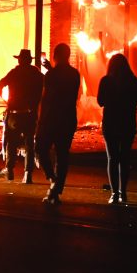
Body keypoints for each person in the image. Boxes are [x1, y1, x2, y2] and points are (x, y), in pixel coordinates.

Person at [36, 43, 82, 204]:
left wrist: (40, 121)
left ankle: (53, 180)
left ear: (55, 55)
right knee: (62, 155)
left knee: (41, 149)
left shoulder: (51, 75)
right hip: (68, 119)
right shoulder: (75, 74)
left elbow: (48, 98)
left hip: (51, 119)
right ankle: (56, 189)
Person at [0, 48, 44, 183]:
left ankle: (9, 170)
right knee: (29, 143)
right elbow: (45, 87)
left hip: (14, 115)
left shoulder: (15, 72)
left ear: (20, 60)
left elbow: (0, 84)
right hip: (30, 114)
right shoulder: (37, 74)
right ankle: (28, 174)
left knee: (11, 142)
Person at [97, 53, 137, 205]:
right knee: (125, 157)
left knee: (112, 158)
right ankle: (124, 192)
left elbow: (100, 101)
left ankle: (114, 193)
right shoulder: (133, 81)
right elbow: (135, 101)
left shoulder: (106, 80)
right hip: (128, 123)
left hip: (110, 122)